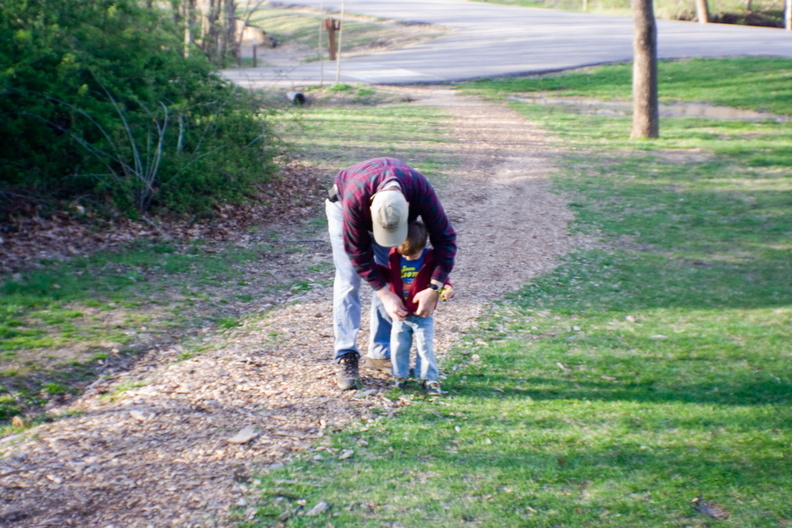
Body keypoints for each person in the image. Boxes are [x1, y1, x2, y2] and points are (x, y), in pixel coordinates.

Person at [325, 158, 456, 390]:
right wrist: (384, 293)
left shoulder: (421, 191)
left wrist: (434, 287)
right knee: (349, 280)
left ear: (407, 205)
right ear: (372, 204)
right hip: (342, 205)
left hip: (392, 209)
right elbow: (357, 252)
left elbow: (445, 239)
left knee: (393, 276)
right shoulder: (356, 199)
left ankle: (381, 354)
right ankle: (346, 355)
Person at [378, 221, 453, 395]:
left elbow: (441, 277)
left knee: (425, 347)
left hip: (422, 315)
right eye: (405, 255)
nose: (408, 258)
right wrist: (374, 270)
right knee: (398, 347)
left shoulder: (431, 259)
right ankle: (399, 376)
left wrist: (446, 290)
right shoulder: (395, 257)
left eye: (413, 255)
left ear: (423, 245)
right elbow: (390, 275)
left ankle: (429, 378)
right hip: (401, 315)